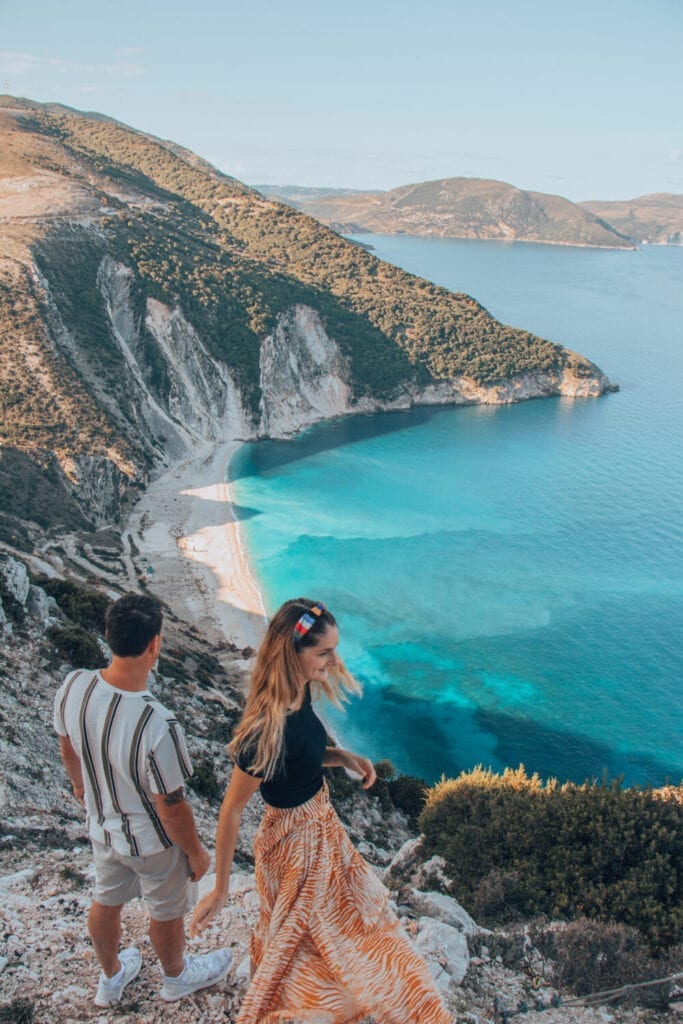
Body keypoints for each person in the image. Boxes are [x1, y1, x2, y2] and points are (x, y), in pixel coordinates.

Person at [190, 598, 453, 1024]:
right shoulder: (267, 727)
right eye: (324, 652)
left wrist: (344, 757)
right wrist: (219, 890)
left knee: (344, 929)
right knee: (302, 942)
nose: (334, 661)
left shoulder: (300, 693)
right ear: (292, 654)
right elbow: (231, 810)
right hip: (292, 845)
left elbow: (302, 756)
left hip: (322, 829)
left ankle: (367, 999)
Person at [53, 593, 232, 1008]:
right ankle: (175, 977)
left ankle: (111, 978)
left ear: (107, 634)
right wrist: (196, 853)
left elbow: (66, 745)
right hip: (152, 844)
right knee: (166, 910)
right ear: (155, 644)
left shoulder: (73, 684)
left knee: (105, 899)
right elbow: (170, 806)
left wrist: (82, 790)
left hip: (102, 828)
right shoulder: (158, 723)